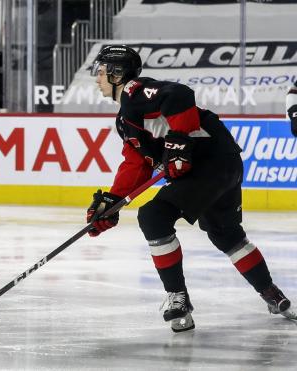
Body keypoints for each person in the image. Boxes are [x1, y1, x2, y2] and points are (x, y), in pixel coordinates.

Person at [87, 45, 296, 332]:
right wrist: (113, 200)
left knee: (153, 216)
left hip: (209, 163)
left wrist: (178, 141)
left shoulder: (136, 92)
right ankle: (273, 295)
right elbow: (136, 162)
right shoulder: (126, 119)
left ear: (117, 74)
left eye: (100, 73)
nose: (97, 79)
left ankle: (177, 298)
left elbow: (179, 94)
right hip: (222, 164)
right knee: (226, 235)